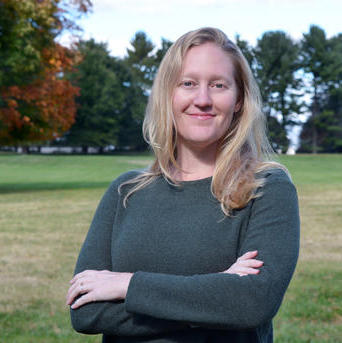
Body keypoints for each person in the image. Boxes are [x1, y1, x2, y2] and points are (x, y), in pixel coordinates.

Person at [66, 27, 300, 343]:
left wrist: (127, 285)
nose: (202, 99)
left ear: (239, 100)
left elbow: (252, 303)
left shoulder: (267, 188)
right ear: (168, 95)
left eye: (218, 85)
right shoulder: (125, 192)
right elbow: (86, 311)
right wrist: (217, 292)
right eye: (188, 83)